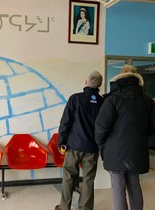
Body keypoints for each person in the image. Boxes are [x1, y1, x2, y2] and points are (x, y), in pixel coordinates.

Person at [95, 65, 155, 210]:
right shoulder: (147, 100)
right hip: (137, 150)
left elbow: (100, 127)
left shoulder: (112, 100)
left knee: (118, 188)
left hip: (114, 151)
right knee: (134, 185)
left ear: (119, 78)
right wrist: (141, 135)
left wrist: (101, 144)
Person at [55, 71, 104, 210]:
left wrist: (61, 142)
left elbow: (65, 123)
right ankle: (85, 208)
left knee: (68, 177)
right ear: (100, 84)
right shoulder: (103, 102)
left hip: (73, 146)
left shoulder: (75, 99)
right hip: (92, 148)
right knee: (88, 180)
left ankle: (64, 207)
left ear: (86, 82)